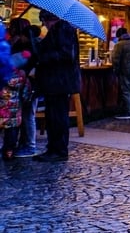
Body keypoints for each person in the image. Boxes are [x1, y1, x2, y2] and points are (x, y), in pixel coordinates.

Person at [33, 11, 80, 162]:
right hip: (55, 81)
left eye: (44, 21)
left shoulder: (63, 29)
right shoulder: (59, 29)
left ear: (50, 19)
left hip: (59, 81)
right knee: (53, 116)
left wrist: (44, 57)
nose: (43, 25)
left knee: (57, 116)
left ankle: (58, 150)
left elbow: (66, 54)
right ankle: (54, 148)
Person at [1, 21, 33, 160]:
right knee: (12, 128)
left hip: (6, 102)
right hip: (13, 105)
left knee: (11, 127)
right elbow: (24, 87)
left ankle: (11, 148)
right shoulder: (18, 72)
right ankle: (9, 150)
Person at [9, 18, 39, 158]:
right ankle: (23, 144)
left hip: (28, 85)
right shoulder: (19, 44)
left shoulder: (30, 47)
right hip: (20, 84)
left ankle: (29, 145)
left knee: (27, 114)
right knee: (23, 114)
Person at [110, 28, 130, 119]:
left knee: (126, 91)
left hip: (126, 71)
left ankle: (127, 112)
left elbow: (115, 59)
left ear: (119, 36)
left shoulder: (120, 44)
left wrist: (116, 70)